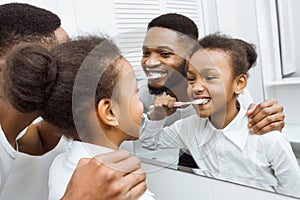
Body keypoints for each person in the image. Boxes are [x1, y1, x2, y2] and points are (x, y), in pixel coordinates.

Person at [0, 3, 147, 199]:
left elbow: (40, 142)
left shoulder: (13, 127)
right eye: (54, 61)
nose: (68, 69)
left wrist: (76, 107)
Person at [140, 33, 300, 197]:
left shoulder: (268, 139)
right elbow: (150, 141)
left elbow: (293, 191)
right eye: (191, 79)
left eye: (209, 77)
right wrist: (158, 116)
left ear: (239, 84)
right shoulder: (187, 128)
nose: (196, 88)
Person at [138, 13, 285, 168]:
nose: (149, 62)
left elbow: (256, 132)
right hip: (187, 158)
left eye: (165, 54)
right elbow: (147, 139)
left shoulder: (230, 95)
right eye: (146, 53)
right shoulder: (144, 95)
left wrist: (268, 122)